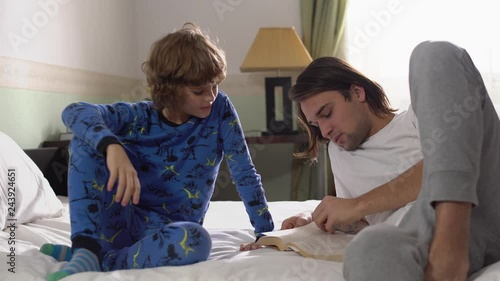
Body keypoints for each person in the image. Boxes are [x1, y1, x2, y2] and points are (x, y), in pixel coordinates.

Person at [39, 22, 274, 281]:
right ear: (170, 88)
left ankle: (98, 259)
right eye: (199, 90)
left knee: (197, 241)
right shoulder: (139, 116)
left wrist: (265, 232)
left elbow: (244, 171)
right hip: (117, 220)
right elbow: (74, 111)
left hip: (166, 233)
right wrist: (112, 146)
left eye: (215, 86)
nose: (211, 96)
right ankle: (85, 249)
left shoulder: (220, 110)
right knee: (85, 142)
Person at [288, 41, 500, 280]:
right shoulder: (338, 153)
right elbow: (358, 221)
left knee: (432, 54)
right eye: (316, 125)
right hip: (421, 234)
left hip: (485, 201)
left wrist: (358, 204)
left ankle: (450, 244)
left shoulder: (416, 119)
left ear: (357, 93)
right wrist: (311, 219)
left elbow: (446, 160)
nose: (325, 131)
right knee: (366, 249)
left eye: (327, 113)